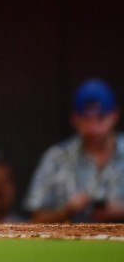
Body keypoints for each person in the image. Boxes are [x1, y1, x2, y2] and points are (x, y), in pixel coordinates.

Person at [25, 78, 124, 223]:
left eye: (101, 118)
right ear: (74, 119)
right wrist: (67, 211)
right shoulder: (56, 158)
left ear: (115, 115)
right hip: (70, 244)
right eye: (85, 119)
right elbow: (35, 219)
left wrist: (121, 212)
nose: (93, 128)